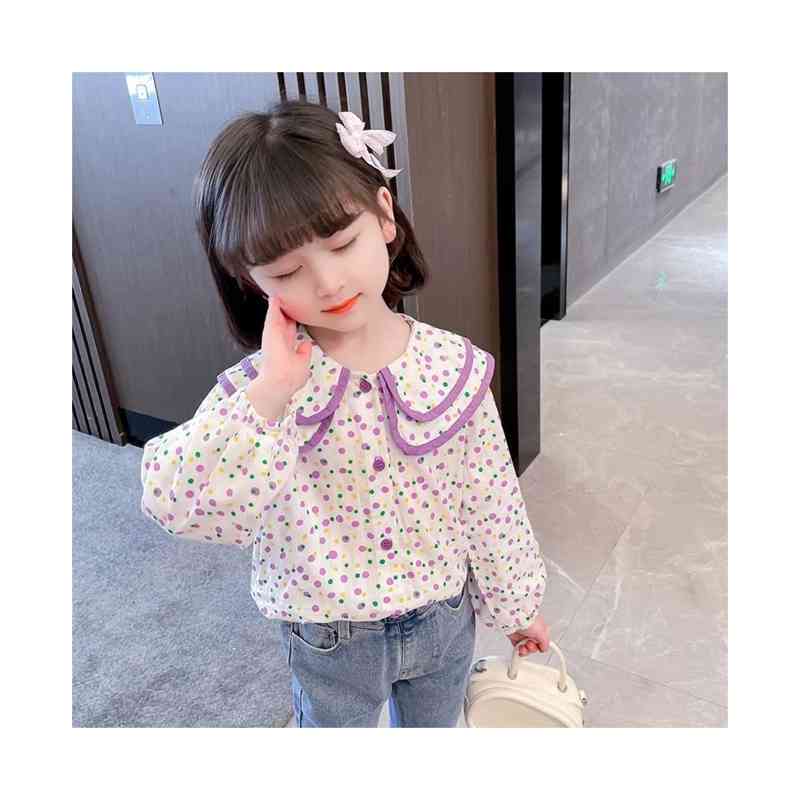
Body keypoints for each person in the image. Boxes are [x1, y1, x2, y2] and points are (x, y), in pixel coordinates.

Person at [140, 98, 550, 727]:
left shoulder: (454, 367)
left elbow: (490, 500)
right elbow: (176, 504)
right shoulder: (259, 394)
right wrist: (273, 390)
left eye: (340, 243)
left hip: (444, 619)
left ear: (384, 215)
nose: (328, 283)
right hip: (328, 639)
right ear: (252, 280)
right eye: (287, 270)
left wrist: (518, 608)